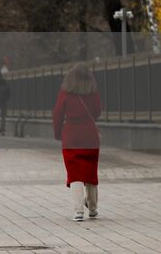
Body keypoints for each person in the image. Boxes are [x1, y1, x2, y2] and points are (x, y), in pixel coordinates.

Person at [53, 62, 102, 221]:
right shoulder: (93, 93)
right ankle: (93, 208)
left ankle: (79, 211)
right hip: (90, 136)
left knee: (75, 174)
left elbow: (57, 115)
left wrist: (57, 133)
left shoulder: (65, 93)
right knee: (90, 172)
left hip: (71, 137)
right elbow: (97, 112)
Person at [0, 71, 12, 136]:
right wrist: (6, 99)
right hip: (3, 103)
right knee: (3, 118)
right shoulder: (6, 83)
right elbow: (9, 93)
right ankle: (3, 131)